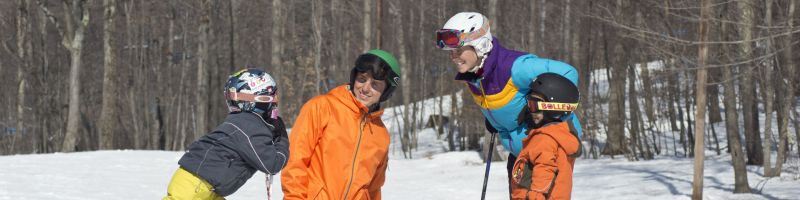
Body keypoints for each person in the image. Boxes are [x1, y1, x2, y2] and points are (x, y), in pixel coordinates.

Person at [435, 12, 583, 195]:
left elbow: (569, 74)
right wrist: (494, 120)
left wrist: (540, 113)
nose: (454, 57)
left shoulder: (515, 67)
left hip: (548, 150)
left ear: (479, 45)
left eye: (459, 50)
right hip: (520, 152)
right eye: (451, 52)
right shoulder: (474, 75)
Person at [281, 49, 402, 200]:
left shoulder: (381, 134)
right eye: (362, 79)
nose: (365, 88)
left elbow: (374, 189)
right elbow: (295, 162)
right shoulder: (322, 107)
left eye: (375, 84)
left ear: (386, 91)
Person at [163, 68, 290, 200]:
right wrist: (281, 137)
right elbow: (272, 164)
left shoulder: (241, 122)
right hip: (196, 187)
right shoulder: (249, 126)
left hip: (201, 185)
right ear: (260, 99)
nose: (274, 102)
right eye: (272, 97)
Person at [510, 73, 581, 200]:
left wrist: (535, 196)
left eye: (534, 105)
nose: (531, 111)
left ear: (553, 108)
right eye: (529, 104)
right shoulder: (560, 134)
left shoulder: (544, 139)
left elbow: (543, 174)